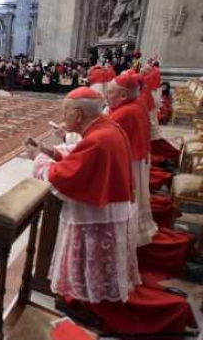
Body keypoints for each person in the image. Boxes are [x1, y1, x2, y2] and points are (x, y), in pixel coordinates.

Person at [25, 87, 140, 304]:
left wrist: (37, 158)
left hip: (96, 217)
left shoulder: (99, 138)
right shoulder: (105, 128)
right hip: (109, 209)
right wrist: (49, 151)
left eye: (65, 112)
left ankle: (87, 302)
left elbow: (63, 177)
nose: (63, 117)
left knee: (91, 269)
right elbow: (79, 155)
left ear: (78, 114)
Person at [107, 73, 157, 247]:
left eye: (110, 92)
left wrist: (69, 137)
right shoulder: (136, 104)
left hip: (129, 163)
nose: (106, 95)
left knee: (128, 202)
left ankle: (126, 238)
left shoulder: (125, 112)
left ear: (123, 95)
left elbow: (100, 138)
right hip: (137, 158)